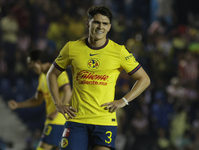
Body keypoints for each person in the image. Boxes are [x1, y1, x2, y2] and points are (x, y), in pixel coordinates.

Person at [46, 5, 150, 150]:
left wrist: (123, 101)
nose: (100, 26)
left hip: (104, 120)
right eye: (96, 22)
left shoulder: (119, 51)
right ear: (88, 23)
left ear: (109, 27)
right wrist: (58, 103)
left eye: (104, 23)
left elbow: (144, 79)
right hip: (77, 120)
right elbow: (52, 74)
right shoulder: (71, 48)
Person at [8, 50, 72, 150]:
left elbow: (68, 92)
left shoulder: (57, 72)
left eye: (30, 64)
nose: (29, 67)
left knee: (42, 148)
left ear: (38, 62)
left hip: (57, 120)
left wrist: (56, 112)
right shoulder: (42, 77)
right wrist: (18, 105)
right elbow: (37, 100)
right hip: (53, 120)